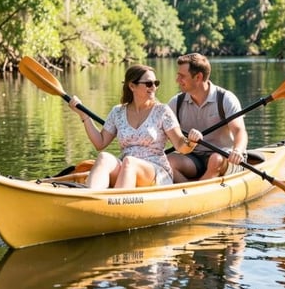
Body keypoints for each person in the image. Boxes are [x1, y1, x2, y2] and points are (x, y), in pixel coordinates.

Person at [68, 64, 203, 189]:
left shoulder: (162, 111)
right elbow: (100, 143)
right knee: (104, 157)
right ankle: (91, 199)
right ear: (132, 86)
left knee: (130, 162)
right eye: (149, 84)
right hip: (126, 168)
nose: (153, 87)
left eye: (156, 83)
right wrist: (84, 116)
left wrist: (191, 142)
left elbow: (181, 145)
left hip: (156, 171)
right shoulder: (118, 112)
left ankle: (116, 205)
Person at [167, 53, 248, 183]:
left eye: (182, 76)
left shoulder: (225, 99)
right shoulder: (176, 103)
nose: (177, 80)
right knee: (168, 162)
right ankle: (187, 191)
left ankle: (196, 191)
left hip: (224, 157)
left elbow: (239, 131)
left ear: (198, 77)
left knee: (215, 160)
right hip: (192, 158)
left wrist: (238, 150)